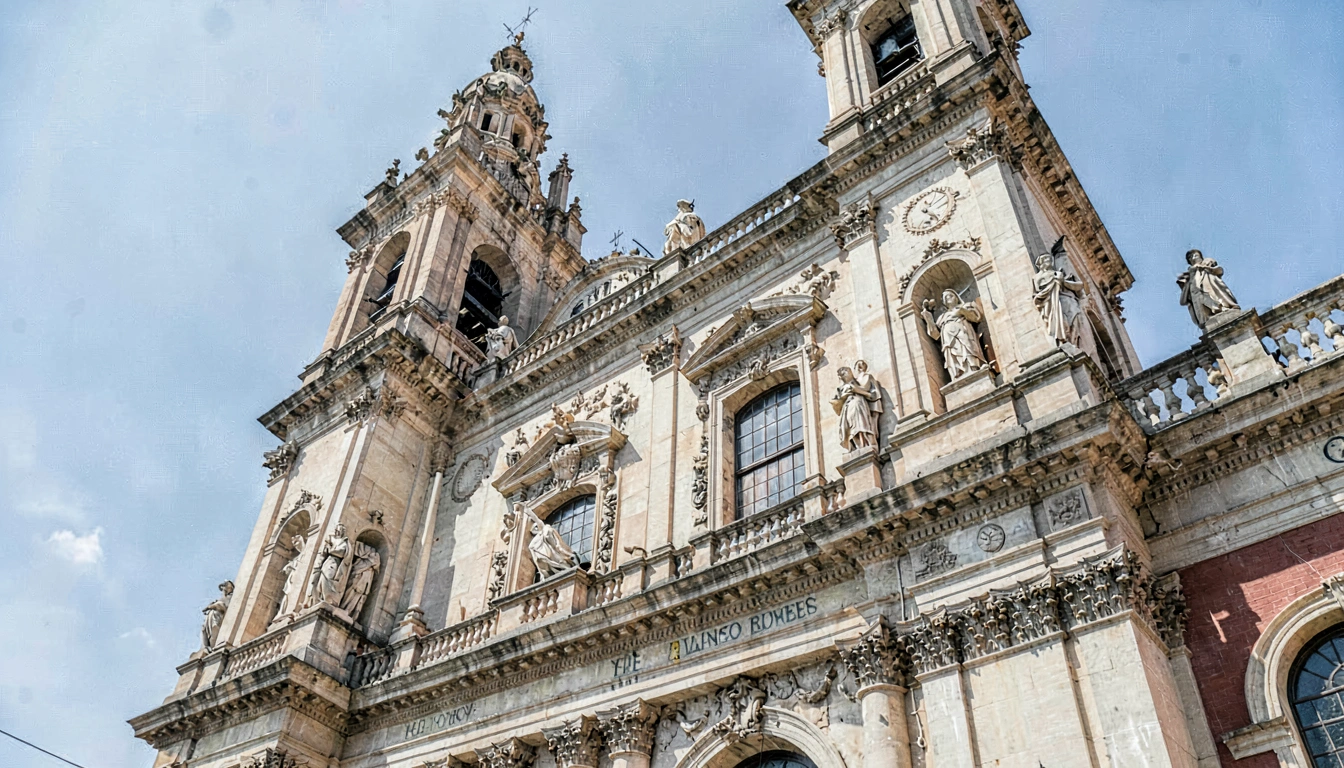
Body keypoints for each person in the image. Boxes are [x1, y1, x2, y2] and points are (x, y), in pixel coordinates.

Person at [921, 289, 988, 380]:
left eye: (950, 296)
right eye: (945, 298)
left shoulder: (965, 306)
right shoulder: (942, 317)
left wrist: (962, 311)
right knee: (952, 355)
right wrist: (929, 319)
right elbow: (936, 335)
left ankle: (973, 368)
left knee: (967, 348)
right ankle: (957, 374)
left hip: (964, 333)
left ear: (957, 298)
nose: (948, 298)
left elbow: (976, 317)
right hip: (948, 340)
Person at [1033, 237, 1085, 345]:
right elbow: (1037, 292)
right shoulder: (1038, 277)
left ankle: (1072, 342)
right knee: (1062, 322)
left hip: (1067, 300)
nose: (1048, 261)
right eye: (1045, 260)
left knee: (1074, 320)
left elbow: (1079, 285)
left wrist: (1062, 281)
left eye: (1049, 259)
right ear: (1041, 264)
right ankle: (1064, 342)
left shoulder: (1059, 273)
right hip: (1053, 302)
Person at [1177, 249, 1240, 329]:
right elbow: (1183, 301)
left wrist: (1204, 267)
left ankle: (1222, 308)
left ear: (1201, 257)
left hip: (1207, 288)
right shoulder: (1188, 276)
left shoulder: (1206, 264)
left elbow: (1219, 270)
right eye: (1190, 257)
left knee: (1210, 296)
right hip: (1196, 295)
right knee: (1201, 304)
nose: (1193, 258)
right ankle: (1206, 319)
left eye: (1196, 255)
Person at [831, 361, 881, 450]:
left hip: (858, 403)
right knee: (852, 427)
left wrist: (856, 390)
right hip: (848, 407)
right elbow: (835, 402)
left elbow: (870, 393)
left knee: (860, 425)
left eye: (846, 371)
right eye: (842, 374)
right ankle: (859, 445)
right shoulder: (841, 388)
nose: (844, 375)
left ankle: (865, 444)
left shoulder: (860, 381)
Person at [308, 524, 350, 607]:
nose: (337, 532)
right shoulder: (332, 539)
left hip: (334, 563)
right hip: (327, 562)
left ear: (342, 532)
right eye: (336, 530)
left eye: (339, 531)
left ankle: (329, 599)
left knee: (328, 578)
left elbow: (341, 552)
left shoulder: (344, 542)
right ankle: (319, 598)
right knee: (321, 579)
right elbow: (324, 552)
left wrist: (331, 549)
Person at [528, 515, 578, 579]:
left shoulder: (546, 529)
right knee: (558, 562)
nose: (536, 529)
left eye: (536, 527)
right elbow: (533, 551)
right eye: (534, 529)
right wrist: (541, 572)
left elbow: (557, 546)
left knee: (562, 560)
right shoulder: (537, 539)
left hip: (555, 552)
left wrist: (528, 512)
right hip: (550, 556)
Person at [200, 581, 234, 651]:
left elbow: (223, 606)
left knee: (214, 628)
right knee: (203, 629)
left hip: (218, 617)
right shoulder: (220, 599)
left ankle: (211, 645)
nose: (229, 589)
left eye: (230, 588)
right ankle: (206, 647)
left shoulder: (230, 597)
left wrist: (210, 607)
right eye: (227, 587)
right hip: (210, 619)